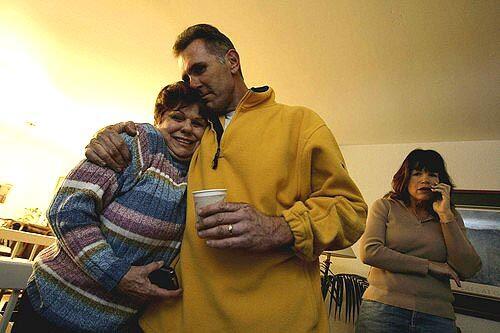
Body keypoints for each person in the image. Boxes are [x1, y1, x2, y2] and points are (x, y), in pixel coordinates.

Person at [85, 24, 367, 332]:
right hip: (173, 319)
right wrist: (110, 134)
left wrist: (279, 228)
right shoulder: (195, 131)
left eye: (200, 69)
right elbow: (149, 141)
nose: (192, 83)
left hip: (270, 322)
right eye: (186, 77)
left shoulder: (300, 124)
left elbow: (350, 211)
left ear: (232, 61)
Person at [12, 82, 208, 332]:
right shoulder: (137, 143)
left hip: (117, 323)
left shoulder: (200, 171)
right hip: (53, 307)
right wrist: (116, 274)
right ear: (158, 118)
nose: (187, 129)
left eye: (198, 123)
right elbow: (67, 210)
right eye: (177, 117)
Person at [356, 149, 482, 333]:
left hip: (436, 316)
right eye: (417, 173)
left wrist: (445, 215)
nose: (425, 179)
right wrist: (430, 265)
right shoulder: (385, 206)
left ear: (441, 182)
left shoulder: (450, 216)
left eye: (432, 174)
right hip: (383, 309)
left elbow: (468, 268)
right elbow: (370, 251)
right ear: (405, 179)